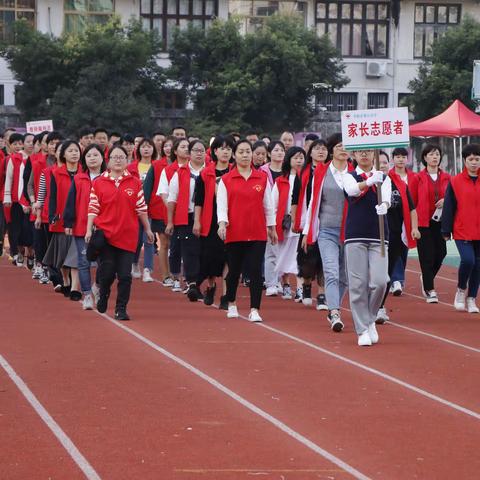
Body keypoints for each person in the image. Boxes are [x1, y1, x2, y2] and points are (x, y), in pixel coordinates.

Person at [86, 145, 154, 320]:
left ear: (127, 160)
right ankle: (104, 292)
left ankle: (121, 308)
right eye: (114, 157)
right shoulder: (99, 182)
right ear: (108, 161)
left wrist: (147, 229)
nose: (118, 160)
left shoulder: (134, 182)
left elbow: (141, 208)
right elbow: (93, 208)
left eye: (121, 157)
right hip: (106, 235)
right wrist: (88, 229)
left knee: (125, 276)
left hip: (128, 236)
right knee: (107, 272)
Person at [217, 139, 277, 322]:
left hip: (257, 232)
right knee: (234, 271)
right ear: (235, 155)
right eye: (241, 152)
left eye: (247, 151)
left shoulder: (261, 177)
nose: (245, 155)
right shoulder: (226, 180)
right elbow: (222, 205)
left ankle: (254, 309)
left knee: (255, 272)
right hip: (235, 232)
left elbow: (269, 205)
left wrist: (271, 228)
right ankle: (232, 303)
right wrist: (222, 224)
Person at [302, 134, 351, 332]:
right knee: (331, 271)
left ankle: (334, 305)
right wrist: (307, 231)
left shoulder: (355, 173)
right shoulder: (321, 172)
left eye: (346, 146)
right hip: (327, 231)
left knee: (345, 276)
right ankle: (335, 312)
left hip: (350, 232)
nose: (343, 149)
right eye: (339, 146)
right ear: (332, 150)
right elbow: (313, 202)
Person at [343, 149, 391, 346]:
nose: (364, 155)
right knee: (357, 284)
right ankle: (362, 328)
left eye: (368, 152)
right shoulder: (349, 176)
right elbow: (352, 190)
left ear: (374, 154)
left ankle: (370, 317)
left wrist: (385, 206)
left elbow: (387, 197)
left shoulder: (384, 177)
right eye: (360, 152)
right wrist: (370, 182)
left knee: (380, 281)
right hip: (355, 235)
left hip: (379, 234)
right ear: (354, 155)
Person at [376, 151, 421, 324]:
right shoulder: (370, 184)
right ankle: (368, 305)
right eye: (378, 163)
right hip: (373, 237)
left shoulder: (400, 184)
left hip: (394, 237)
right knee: (374, 274)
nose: (383, 166)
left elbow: (411, 209)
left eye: (385, 162)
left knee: (386, 274)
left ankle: (380, 307)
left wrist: (414, 228)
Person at [64, 144, 106, 310]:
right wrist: (68, 222)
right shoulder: (79, 179)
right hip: (82, 226)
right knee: (83, 262)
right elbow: (71, 202)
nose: (92, 158)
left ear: (102, 158)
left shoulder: (108, 178)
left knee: (104, 263)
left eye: (96, 155)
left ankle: (97, 285)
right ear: (84, 160)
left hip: (104, 227)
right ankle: (87, 294)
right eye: (88, 156)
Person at [193, 135, 233, 307]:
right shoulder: (205, 174)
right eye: (222, 148)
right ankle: (211, 285)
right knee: (210, 257)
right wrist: (196, 221)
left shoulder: (235, 171)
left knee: (229, 258)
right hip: (210, 221)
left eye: (229, 149)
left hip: (232, 221)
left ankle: (226, 296)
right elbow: (199, 201)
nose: (225, 152)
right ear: (215, 151)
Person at [409, 144, 450, 303]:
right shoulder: (417, 178)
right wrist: (413, 225)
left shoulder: (447, 178)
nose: (435, 157)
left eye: (437, 154)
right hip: (423, 222)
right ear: (425, 158)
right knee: (427, 256)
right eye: (431, 154)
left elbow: (453, 199)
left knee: (441, 253)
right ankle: (430, 289)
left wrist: (445, 201)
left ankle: (427, 277)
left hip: (440, 222)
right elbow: (412, 201)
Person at [442, 143, 480, 313]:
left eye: (477, 159)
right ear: (464, 160)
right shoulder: (455, 181)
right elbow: (449, 206)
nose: (474, 162)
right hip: (462, 229)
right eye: (471, 159)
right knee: (468, 260)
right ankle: (460, 290)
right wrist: (446, 229)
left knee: (478, 265)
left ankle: (472, 299)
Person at [165, 139, 205, 301]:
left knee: (203, 250)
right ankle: (192, 283)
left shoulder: (209, 172)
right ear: (189, 153)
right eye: (195, 150)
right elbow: (172, 199)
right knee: (189, 251)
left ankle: (202, 281)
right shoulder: (180, 173)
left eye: (202, 150)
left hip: (206, 216)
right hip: (186, 217)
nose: (199, 153)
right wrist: (169, 221)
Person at [293, 138, 329, 308]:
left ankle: (322, 294)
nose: (321, 151)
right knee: (307, 259)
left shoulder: (332, 171)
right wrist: (295, 219)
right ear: (311, 152)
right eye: (317, 149)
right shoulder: (303, 172)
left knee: (324, 258)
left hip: (327, 220)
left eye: (324, 149)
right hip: (308, 221)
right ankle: (307, 285)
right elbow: (295, 197)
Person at [43, 140, 82, 300]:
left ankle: (74, 287)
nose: (74, 153)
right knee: (63, 253)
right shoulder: (56, 173)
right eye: (70, 151)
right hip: (61, 217)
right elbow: (52, 196)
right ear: (63, 155)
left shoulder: (83, 173)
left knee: (76, 252)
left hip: (80, 218)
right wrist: (52, 215)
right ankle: (65, 279)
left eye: (76, 150)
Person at [156, 137, 190, 292]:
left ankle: (189, 278)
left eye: (188, 146)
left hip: (190, 214)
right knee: (174, 246)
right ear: (175, 151)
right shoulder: (168, 170)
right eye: (183, 147)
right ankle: (175, 276)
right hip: (174, 215)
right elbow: (164, 193)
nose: (186, 149)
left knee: (189, 248)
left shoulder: (196, 168)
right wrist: (173, 209)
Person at [272, 147, 303, 299]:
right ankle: (285, 284)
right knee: (283, 255)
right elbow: (273, 204)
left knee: (299, 256)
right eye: (296, 158)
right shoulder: (280, 180)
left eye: (301, 158)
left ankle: (300, 288)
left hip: (300, 224)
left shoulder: (306, 178)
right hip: (284, 224)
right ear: (289, 160)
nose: (299, 161)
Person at [127, 138, 157, 282]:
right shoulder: (132, 167)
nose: (146, 149)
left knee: (149, 238)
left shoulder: (156, 167)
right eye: (143, 147)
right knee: (137, 239)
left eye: (149, 146)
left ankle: (147, 269)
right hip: (133, 208)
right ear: (138, 150)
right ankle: (134, 264)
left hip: (150, 208)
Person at [261, 141, 285, 296]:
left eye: (282, 150)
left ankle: (281, 281)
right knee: (271, 249)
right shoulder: (263, 172)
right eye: (276, 150)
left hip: (285, 215)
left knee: (284, 251)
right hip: (268, 215)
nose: (280, 153)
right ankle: (271, 282)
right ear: (269, 153)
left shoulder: (289, 171)